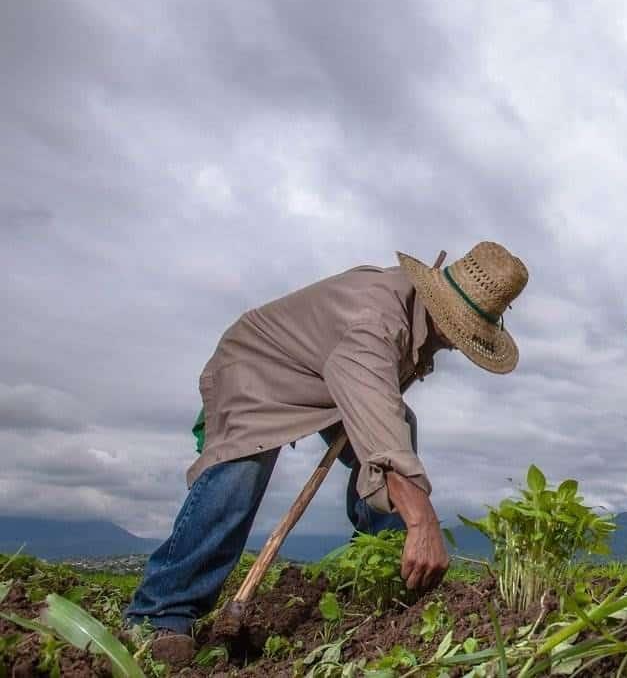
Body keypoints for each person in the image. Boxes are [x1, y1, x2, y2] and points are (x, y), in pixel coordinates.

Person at [124, 241, 528, 663]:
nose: (459, 346)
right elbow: (379, 426)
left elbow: (381, 413)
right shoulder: (378, 321)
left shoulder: (414, 319)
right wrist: (422, 518)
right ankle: (160, 613)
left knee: (400, 427)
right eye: (462, 333)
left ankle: (384, 580)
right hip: (256, 368)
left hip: (324, 375)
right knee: (242, 469)